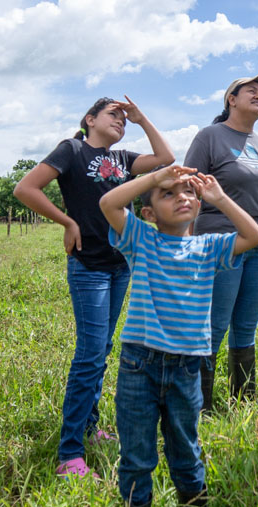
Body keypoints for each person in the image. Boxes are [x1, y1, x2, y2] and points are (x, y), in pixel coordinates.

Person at [99, 164, 258, 507]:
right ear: (150, 212)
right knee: (137, 457)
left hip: (188, 366)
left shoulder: (209, 247)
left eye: (189, 192)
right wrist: (155, 178)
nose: (183, 198)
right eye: (170, 194)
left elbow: (255, 237)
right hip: (139, 364)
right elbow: (109, 202)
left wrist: (220, 198)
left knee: (186, 451)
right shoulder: (142, 239)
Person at [14, 97, 174, 478]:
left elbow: (165, 158)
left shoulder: (123, 159)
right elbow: (26, 189)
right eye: (113, 115)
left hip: (121, 264)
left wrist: (141, 117)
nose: (120, 120)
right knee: (89, 355)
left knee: (102, 348)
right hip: (89, 266)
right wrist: (67, 222)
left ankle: (89, 427)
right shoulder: (72, 150)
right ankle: (70, 452)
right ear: (89, 120)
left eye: (123, 117)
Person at [183, 74, 258, 411]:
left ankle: (243, 402)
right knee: (214, 324)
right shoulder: (210, 137)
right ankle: (199, 405)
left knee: (246, 325)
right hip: (222, 242)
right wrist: (184, 246)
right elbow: (188, 191)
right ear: (231, 99)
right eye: (252, 91)